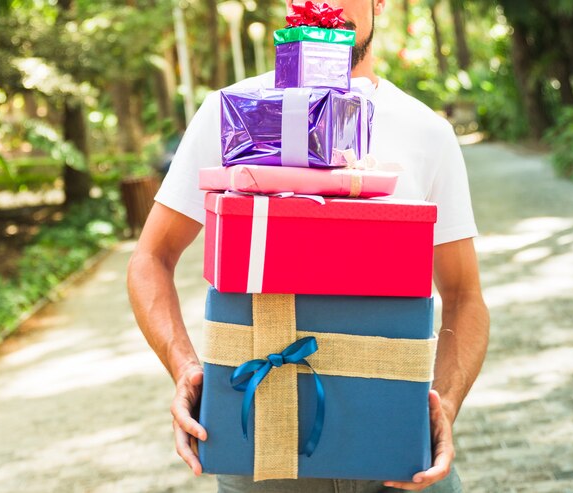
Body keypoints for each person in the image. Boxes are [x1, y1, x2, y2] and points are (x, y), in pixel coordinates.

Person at [127, 0, 490, 491]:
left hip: (399, 451)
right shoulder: (230, 113)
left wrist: (443, 404)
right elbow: (151, 258)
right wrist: (185, 368)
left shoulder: (427, 131)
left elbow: (465, 295)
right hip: (259, 453)